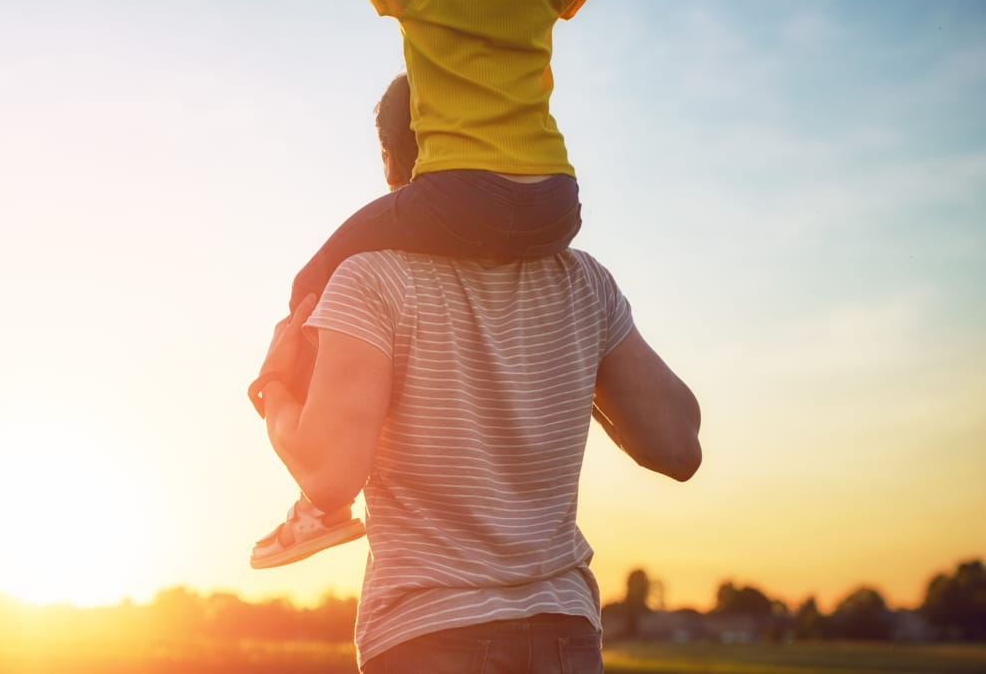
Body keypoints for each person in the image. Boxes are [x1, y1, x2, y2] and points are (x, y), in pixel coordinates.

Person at [93, 0, 822, 565]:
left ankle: (323, 504)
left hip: (456, 200)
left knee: (312, 281)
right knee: (418, 272)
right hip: (552, 208)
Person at [251, 73, 702, 672]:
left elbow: (331, 479)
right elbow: (679, 445)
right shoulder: (581, 282)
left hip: (429, 635)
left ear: (391, 157)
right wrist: (572, 360)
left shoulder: (370, 279)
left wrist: (274, 390)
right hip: (564, 637)